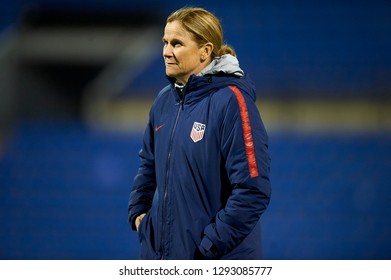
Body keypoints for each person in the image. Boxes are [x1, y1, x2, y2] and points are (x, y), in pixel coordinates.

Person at [128, 7, 271, 260]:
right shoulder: (163, 101)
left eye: (177, 43)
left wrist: (209, 247)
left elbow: (252, 189)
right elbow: (148, 165)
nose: (166, 52)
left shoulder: (231, 102)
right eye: (165, 42)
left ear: (205, 51)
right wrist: (139, 213)